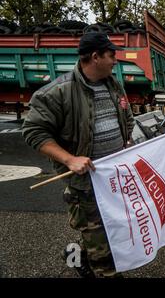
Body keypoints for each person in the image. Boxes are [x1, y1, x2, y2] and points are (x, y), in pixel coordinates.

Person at [22, 32, 135, 277]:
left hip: (112, 178)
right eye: (111, 55)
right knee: (102, 245)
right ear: (95, 57)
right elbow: (33, 131)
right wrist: (70, 159)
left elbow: (127, 116)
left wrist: (128, 141)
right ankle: (103, 269)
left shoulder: (114, 85)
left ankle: (77, 256)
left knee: (108, 229)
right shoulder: (58, 92)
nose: (115, 60)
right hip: (85, 183)